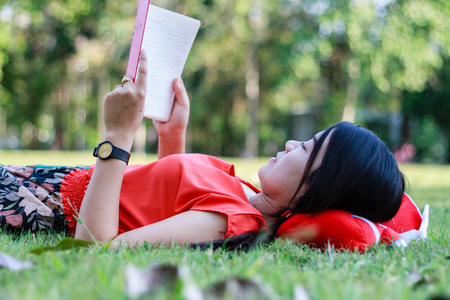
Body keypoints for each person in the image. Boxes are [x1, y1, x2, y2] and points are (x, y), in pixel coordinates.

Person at [0, 51, 404, 250]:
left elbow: (98, 246)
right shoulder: (244, 191)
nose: (291, 143)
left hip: (44, 204)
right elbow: (162, 203)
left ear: (314, 189)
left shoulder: (235, 222)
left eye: (309, 148)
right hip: (53, 180)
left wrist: (118, 136)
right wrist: (173, 137)